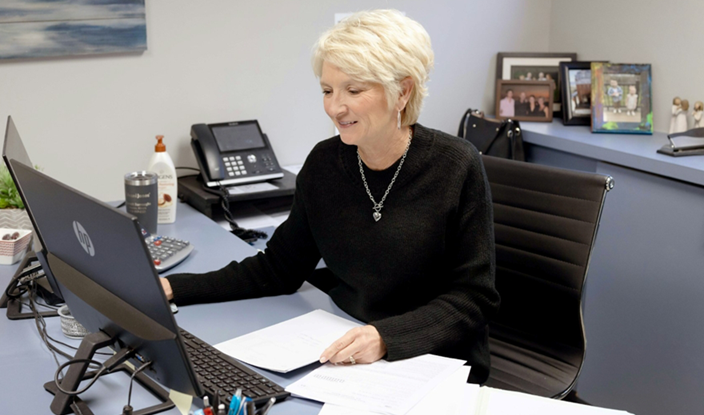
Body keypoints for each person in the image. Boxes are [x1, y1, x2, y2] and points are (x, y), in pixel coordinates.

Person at [160, 9, 498, 383]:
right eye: (327, 90)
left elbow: (474, 298)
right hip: (344, 344)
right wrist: (175, 287)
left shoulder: (455, 165)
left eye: (353, 90)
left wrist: (387, 337)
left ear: (402, 91)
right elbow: (279, 268)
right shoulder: (325, 163)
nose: (335, 107)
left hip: (434, 360)